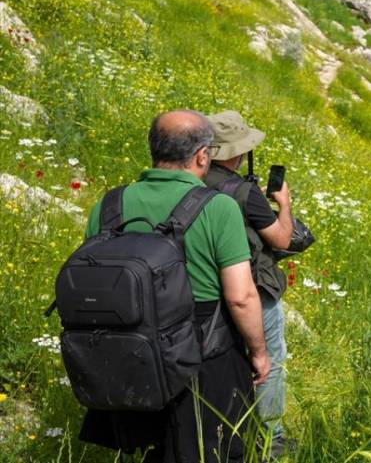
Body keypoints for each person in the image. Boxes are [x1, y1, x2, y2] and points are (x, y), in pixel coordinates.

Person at [78, 110, 269, 462]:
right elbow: (241, 297)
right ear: (202, 156)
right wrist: (259, 352)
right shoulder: (219, 208)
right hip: (202, 355)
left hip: (127, 354)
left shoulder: (108, 205)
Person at [204, 110, 293, 458]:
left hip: (205, 291)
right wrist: (283, 204)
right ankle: (271, 439)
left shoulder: (191, 181)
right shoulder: (243, 193)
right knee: (269, 360)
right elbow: (282, 239)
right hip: (252, 291)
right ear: (236, 152)